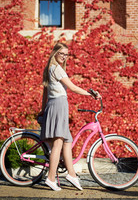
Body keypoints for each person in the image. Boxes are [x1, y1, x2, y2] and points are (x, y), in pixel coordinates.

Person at [39, 42, 101, 191]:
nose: (64, 57)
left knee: (67, 141)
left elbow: (45, 93)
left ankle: (72, 175)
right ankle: (51, 178)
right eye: (61, 53)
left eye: (66, 54)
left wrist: (42, 110)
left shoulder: (49, 69)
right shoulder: (57, 69)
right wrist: (91, 94)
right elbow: (72, 87)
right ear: (54, 53)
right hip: (59, 105)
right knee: (59, 143)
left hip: (54, 105)